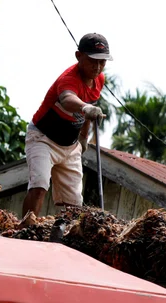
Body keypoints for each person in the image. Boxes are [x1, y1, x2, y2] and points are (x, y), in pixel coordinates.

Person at [22, 33, 112, 217]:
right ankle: (24, 231)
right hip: (43, 139)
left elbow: (91, 109)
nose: (97, 67)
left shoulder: (99, 79)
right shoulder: (69, 79)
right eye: (92, 61)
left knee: (73, 205)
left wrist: (83, 138)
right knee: (39, 185)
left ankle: (62, 239)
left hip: (70, 146)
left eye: (102, 62)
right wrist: (84, 107)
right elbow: (67, 99)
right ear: (79, 56)